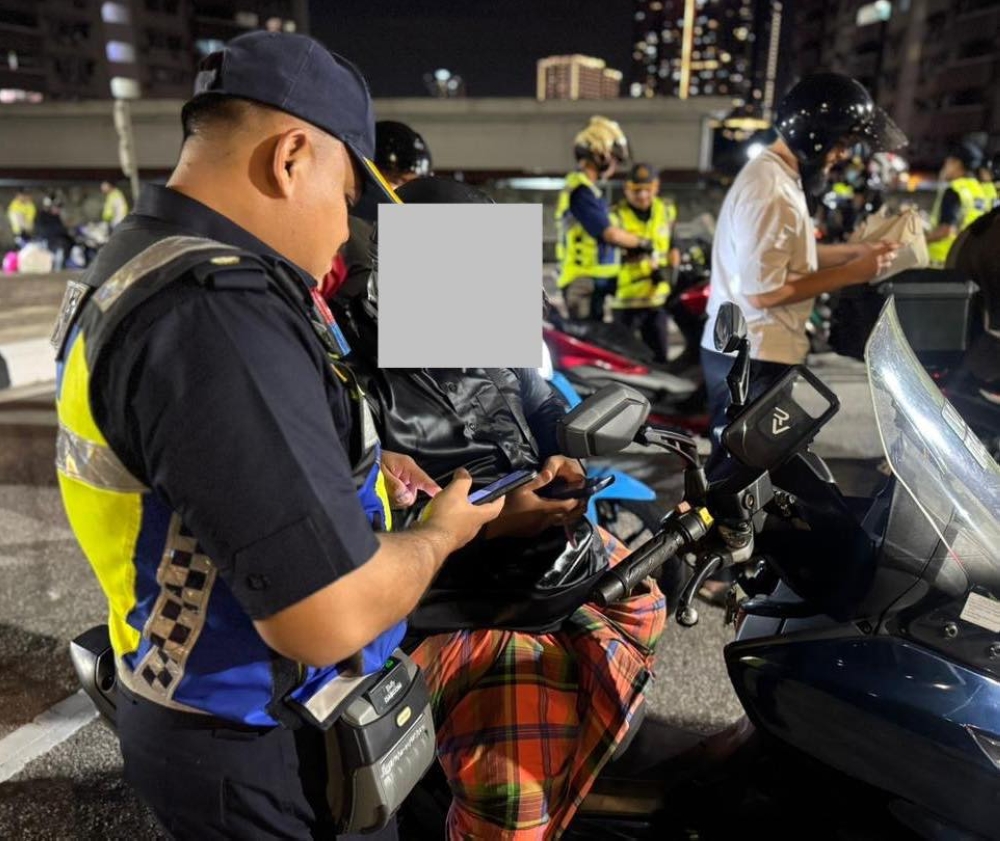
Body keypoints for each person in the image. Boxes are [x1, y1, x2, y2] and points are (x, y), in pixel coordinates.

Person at [53, 31, 503, 840]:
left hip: (203, 711)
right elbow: (324, 616)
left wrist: (358, 466)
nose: (347, 226)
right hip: (256, 741)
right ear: (292, 156)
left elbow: (204, 466)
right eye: (346, 193)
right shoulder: (215, 313)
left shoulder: (146, 260)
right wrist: (440, 537)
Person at [332, 175, 668, 837]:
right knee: (514, 780)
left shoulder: (488, 328)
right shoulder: (353, 373)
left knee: (647, 595)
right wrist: (490, 519)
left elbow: (541, 403)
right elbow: (359, 519)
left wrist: (564, 456)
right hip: (447, 588)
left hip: (536, 554)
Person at [700, 73, 905, 447]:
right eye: (842, 143)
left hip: (755, 352)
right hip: (752, 357)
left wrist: (856, 252)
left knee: (758, 474)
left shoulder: (779, 176)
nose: (842, 155)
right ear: (815, 135)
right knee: (743, 477)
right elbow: (764, 292)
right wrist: (853, 271)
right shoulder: (770, 191)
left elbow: (789, 258)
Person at [555, 115, 655, 322]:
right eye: (615, 159)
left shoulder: (589, 191)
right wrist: (642, 243)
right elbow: (609, 233)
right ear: (601, 155)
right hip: (583, 282)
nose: (616, 166)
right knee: (587, 344)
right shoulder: (581, 191)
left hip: (591, 281)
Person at [609, 162, 679, 363]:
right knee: (624, 361)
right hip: (625, 301)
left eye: (647, 190)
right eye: (636, 190)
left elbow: (674, 241)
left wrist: (673, 264)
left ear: (656, 187)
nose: (642, 196)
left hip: (656, 301)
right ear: (626, 189)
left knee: (660, 360)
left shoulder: (666, 209)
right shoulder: (616, 215)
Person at [926, 141, 989, 267]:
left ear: (957, 164)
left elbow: (946, 230)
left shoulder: (955, 190)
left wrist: (919, 242)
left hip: (943, 261)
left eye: (947, 162)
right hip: (967, 262)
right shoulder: (980, 191)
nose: (944, 167)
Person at [34, 194, 73, 270]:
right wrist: (61, 230)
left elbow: (62, 230)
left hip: (60, 241)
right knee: (60, 247)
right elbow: (43, 232)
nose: (58, 210)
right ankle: (58, 267)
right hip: (48, 243)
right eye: (56, 207)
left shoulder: (56, 217)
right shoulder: (42, 217)